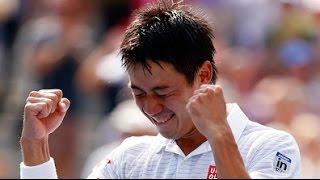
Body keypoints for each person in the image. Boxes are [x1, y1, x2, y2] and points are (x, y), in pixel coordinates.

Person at [20, 1, 301, 179]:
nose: (150, 108)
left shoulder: (272, 147)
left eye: (162, 92)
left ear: (203, 75)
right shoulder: (127, 158)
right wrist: (35, 146)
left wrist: (218, 134)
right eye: (139, 93)